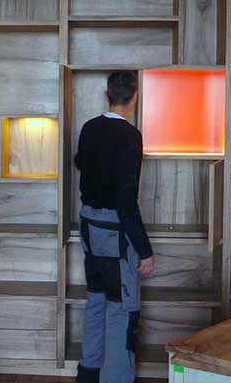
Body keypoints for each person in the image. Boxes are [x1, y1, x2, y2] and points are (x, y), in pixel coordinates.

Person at [74, 71, 156, 383]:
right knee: (122, 308)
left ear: (107, 95)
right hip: (114, 230)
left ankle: (89, 373)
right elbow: (126, 200)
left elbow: (81, 161)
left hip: (88, 224)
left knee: (97, 298)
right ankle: (117, 379)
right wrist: (145, 250)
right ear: (134, 97)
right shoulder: (130, 136)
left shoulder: (90, 127)